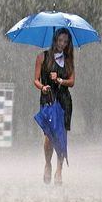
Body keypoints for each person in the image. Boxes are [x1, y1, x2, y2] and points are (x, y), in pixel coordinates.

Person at [34, 28, 75, 185]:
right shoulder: (42, 57)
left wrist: (59, 80)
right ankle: (48, 164)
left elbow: (72, 81)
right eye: (60, 41)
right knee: (49, 136)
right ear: (55, 40)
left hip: (64, 100)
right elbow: (36, 79)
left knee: (61, 136)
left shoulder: (68, 59)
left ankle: (59, 169)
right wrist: (43, 87)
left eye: (65, 42)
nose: (63, 44)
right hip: (48, 99)